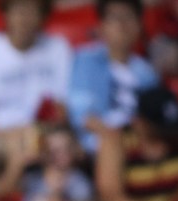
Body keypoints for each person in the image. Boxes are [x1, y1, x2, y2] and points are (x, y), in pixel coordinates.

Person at [0, 0, 72, 151]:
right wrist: (17, 138)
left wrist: (35, 135)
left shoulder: (57, 48)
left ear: (43, 16)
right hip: (1, 138)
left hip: (47, 136)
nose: (24, 18)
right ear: (6, 13)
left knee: (63, 143)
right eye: (18, 10)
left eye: (31, 11)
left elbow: (62, 111)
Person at [67, 0, 159, 153]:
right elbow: (82, 116)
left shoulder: (146, 71)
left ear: (139, 26)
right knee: (111, 146)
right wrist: (113, 136)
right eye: (114, 18)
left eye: (128, 17)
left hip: (137, 140)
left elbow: (154, 116)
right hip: (98, 141)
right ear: (102, 27)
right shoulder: (86, 60)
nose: (122, 25)